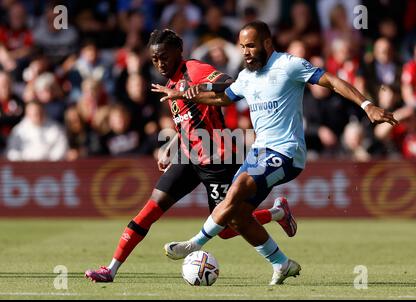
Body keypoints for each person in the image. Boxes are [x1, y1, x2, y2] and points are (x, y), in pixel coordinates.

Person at [153, 21, 397, 285]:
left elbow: (332, 82)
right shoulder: (246, 76)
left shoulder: (288, 65)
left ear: (267, 44)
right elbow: (222, 98)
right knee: (236, 217)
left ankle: (195, 243)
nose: (245, 52)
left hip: (288, 151)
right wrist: (184, 95)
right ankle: (281, 263)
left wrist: (367, 104)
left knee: (238, 189)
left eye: (251, 45)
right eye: (242, 46)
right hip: (259, 152)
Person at [85, 29, 296, 283]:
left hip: (219, 160)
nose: (160, 63)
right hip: (188, 159)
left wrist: (195, 88)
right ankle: (111, 269)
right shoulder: (171, 83)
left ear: (178, 52)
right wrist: (173, 146)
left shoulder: (194, 69)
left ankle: (276, 213)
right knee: (148, 211)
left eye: (164, 57)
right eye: (155, 59)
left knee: (228, 229)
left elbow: (230, 83)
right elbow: (187, 123)